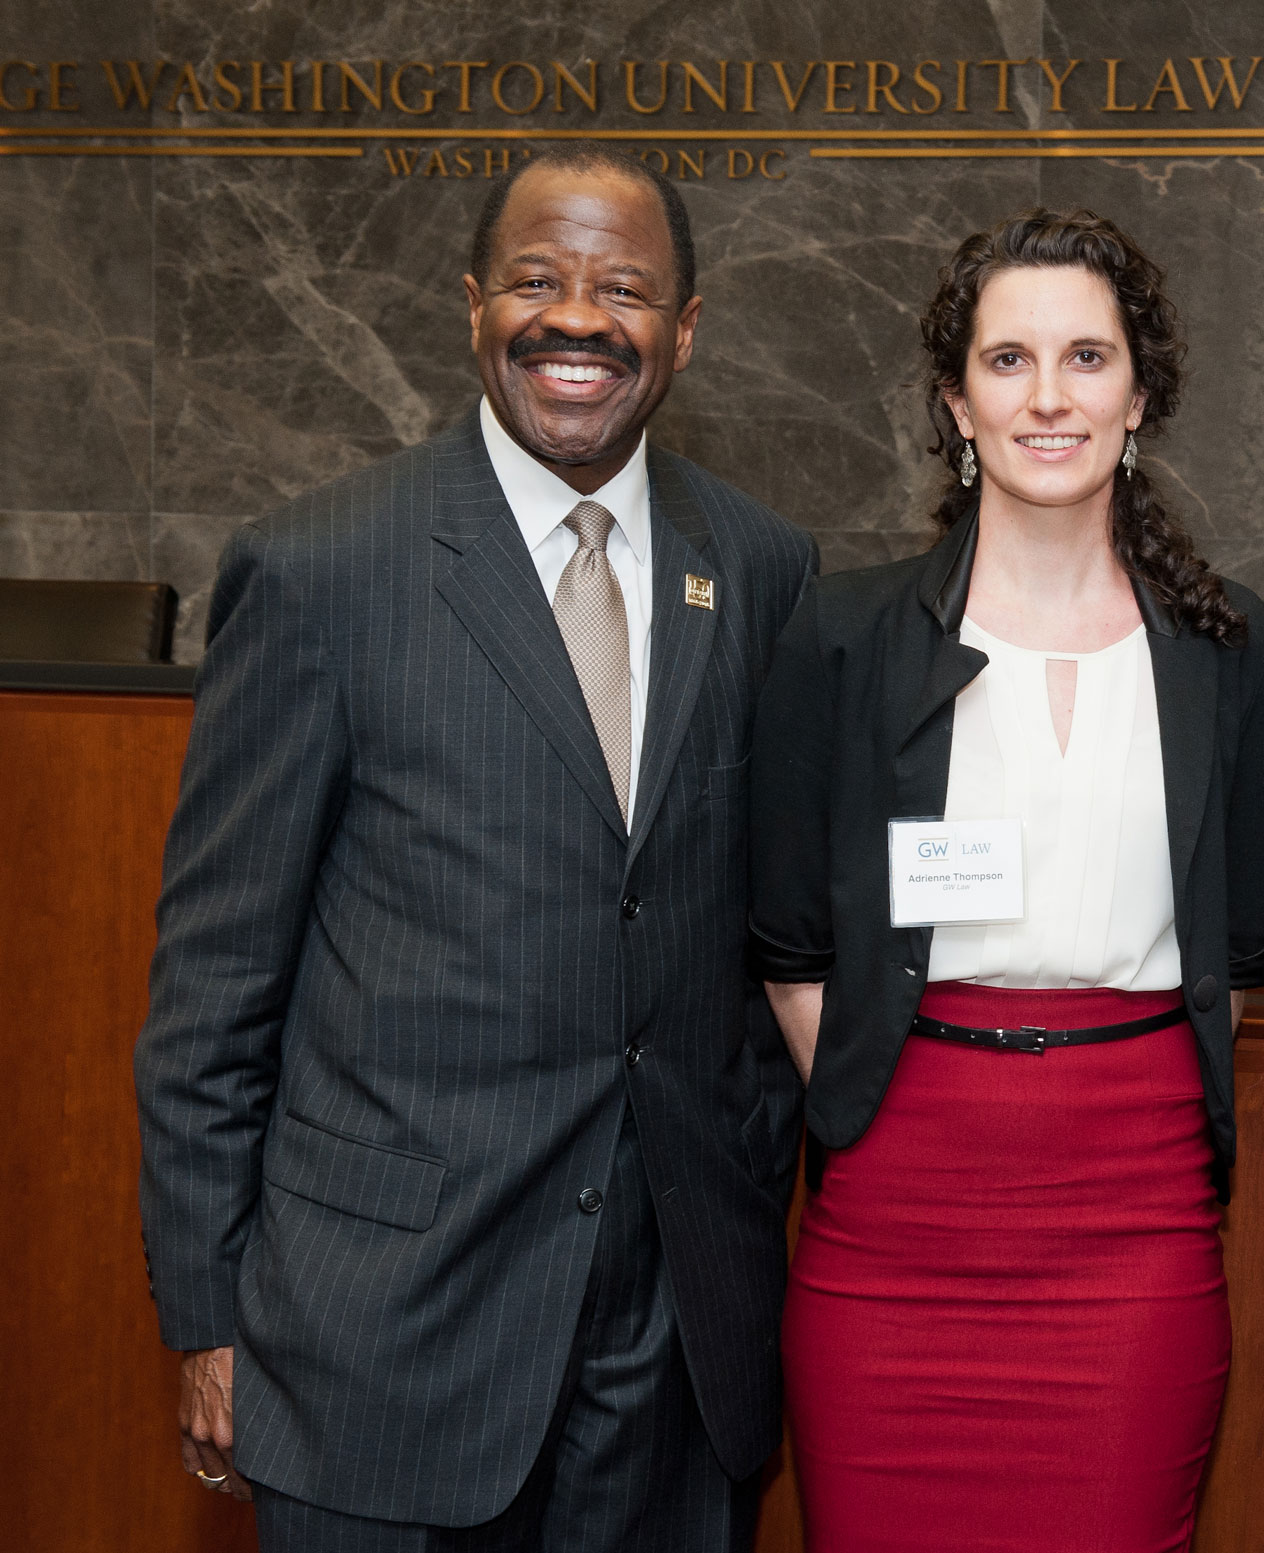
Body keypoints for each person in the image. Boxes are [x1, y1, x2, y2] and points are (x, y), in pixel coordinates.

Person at [133, 145, 815, 1551]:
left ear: (684, 330)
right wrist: (208, 1315)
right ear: (471, 306)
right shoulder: (323, 569)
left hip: (673, 1355)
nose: (578, 319)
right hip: (379, 1345)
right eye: (537, 280)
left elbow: (760, 933)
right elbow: (215, 988)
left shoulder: (760, 568)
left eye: (624, 289)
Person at [746, 207, 1264, 1552]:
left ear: (1140, 393)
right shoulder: (850, 633)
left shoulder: (1220, 645)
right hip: (893, 1220)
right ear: (956, 402)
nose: (1050, 397)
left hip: (1135, 1209)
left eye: (1088, 359)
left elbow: (1237, 930)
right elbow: (787, 929)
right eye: (1009, 361)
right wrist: (883, 1087)